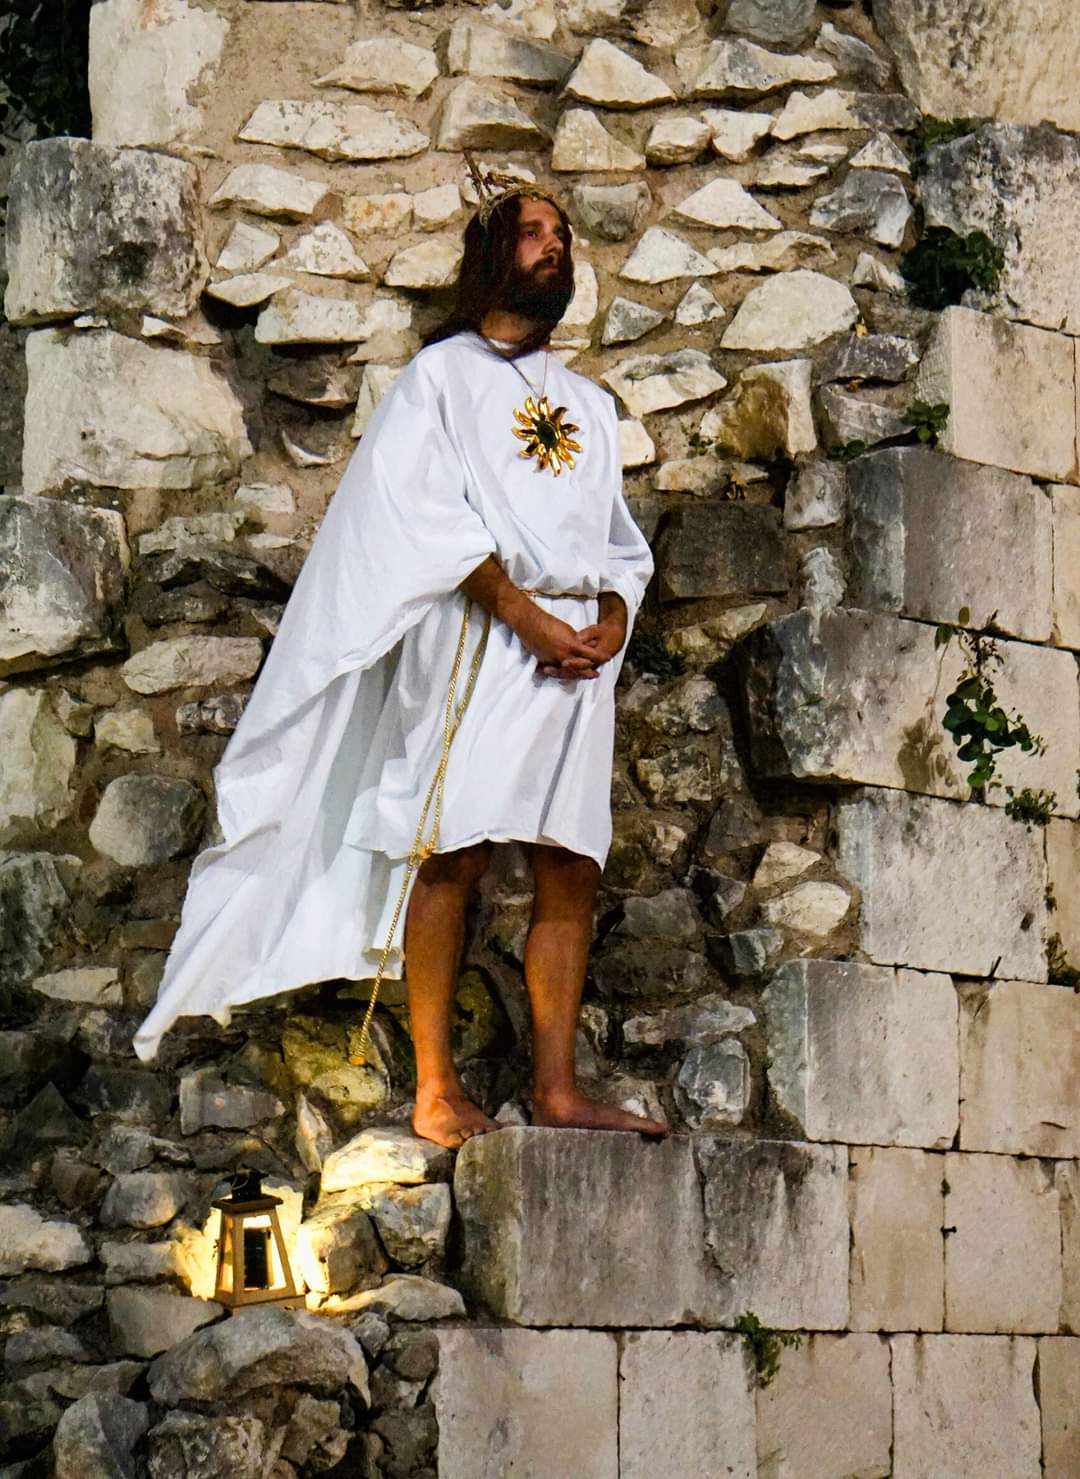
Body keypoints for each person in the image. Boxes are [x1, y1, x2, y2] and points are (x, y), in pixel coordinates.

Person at [133, 161, 666, 1148]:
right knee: (452, 848)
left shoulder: (589, 406)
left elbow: (619, 545)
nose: (553, 250)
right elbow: (419, 519)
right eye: (533, 234)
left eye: (561, 238)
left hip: (577, 661)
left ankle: (557, 1087)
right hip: (479, 638)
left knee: (571, 863)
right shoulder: (439, 379)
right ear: (492, 256)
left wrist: (612, 618)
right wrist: (525, 616)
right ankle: (433, 1087)